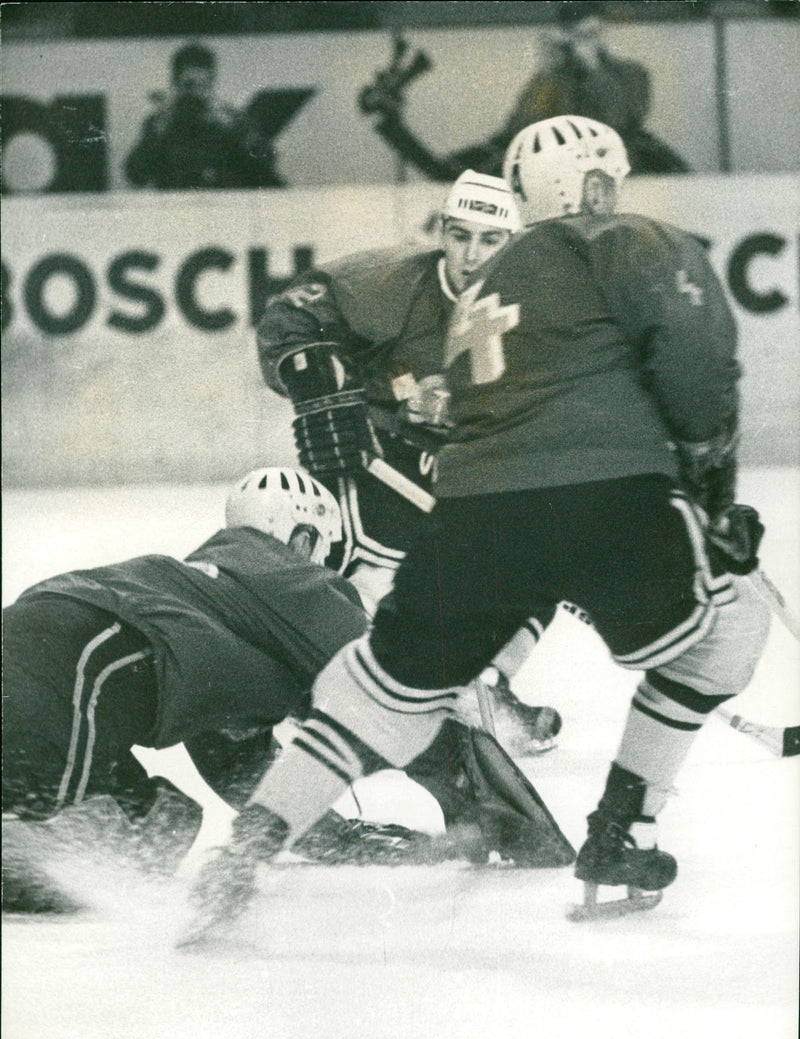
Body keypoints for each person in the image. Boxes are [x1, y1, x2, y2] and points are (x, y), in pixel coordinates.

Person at [183, 115, 769, 940]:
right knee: (731, 628)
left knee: (385, 687)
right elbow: (699, 370)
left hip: (475, 512)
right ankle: (622, 834)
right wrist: (711, 498)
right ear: (609, 178)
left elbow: (477, 421)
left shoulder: (483, 291)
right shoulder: (642, 241)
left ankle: (252, 843)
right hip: (611, 495)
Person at [3, 467, 572, 913]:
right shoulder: (291, 578)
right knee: (54, 836)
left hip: (57, 654)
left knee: (160, 830)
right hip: (77, 660)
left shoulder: (212, 607)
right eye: (322, 551)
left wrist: (339, 839)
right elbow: (393, 689)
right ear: (301, 537)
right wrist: (479, 799)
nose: (328, 570)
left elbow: (239, 769)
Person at [257, 168, 562, 754]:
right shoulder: (394, 282)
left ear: (515, 243)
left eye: (490, 240)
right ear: (442, 232)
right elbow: (287, 318)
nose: (471, 255)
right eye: (460, 235)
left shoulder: (543, 309)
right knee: (336, 553)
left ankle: (488, 684)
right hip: (375, 458)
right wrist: (319, 387)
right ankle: (313, 688)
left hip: (473, 468)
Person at [359, 3, 690, 180]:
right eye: (576, 37)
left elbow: (621, 119)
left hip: (609, 163)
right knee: (453, 173)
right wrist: (547, 73)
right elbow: (518, 129)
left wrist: (591, 65)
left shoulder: (629, 73)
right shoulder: (554, 76)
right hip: (553, 163)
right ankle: (387, 123)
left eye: (588, 35)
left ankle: (386, 123)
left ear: (602, 33)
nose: (580, 45)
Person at [124, 41, 284, 190]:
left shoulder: (230, 120)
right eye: (189, 85)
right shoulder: (161, 123)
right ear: (176, 84)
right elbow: (135, 177)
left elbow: (267, 163)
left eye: (204, 85)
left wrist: (235, 130)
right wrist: (158, 134)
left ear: (212, 84)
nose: (196, 93)